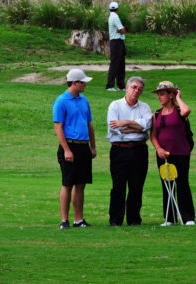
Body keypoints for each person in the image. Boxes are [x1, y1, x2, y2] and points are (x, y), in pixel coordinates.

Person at [53, 69, 96, 229]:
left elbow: (89, 124)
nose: (85, 84)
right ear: (74, 83)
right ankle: (64, 220)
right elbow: (58, 127)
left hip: (83, 146)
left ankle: (79, 219)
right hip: (69, 145)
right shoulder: (61, 101)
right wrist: (66, 149)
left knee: (81, 184)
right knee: (68, 183)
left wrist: (92, 146)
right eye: (83, 82)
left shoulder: (84, 100)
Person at [107, 76, 152, 226]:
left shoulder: (145, 107)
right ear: (126, 88)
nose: (136, 91)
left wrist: (125, 123)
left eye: (140, 89)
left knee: (136, 186)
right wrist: (136, 126)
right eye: (134, 87)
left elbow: (146, 126)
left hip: (139, 150)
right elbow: (115, 130)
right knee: (118, 186)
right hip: (120, 150)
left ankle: (134, 219)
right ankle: (115, 220)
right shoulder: (115, 105)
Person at [150, 81, 195, 226]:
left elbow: (186, 111)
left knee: (182, 184)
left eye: (162, 94)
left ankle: (188, 217)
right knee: (167, 186)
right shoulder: (156, 113)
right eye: (158, 94)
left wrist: (179, 98)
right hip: (164, 154)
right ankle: (170, 218)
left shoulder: (179, 111)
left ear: (171, 95)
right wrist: (158, 149)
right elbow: (153, 135)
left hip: (181, 153)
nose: (159, 97)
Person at [106, 1, 126, 92]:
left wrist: (119, 30)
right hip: (116, 42)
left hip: (117, 42)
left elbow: (120, 30)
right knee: (115, 64)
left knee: (121, 63)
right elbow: (122, 30)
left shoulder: (111, 16)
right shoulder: (115, 17)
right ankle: (110, 85)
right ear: (117, 9)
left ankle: (121, 86)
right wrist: (120, 30)